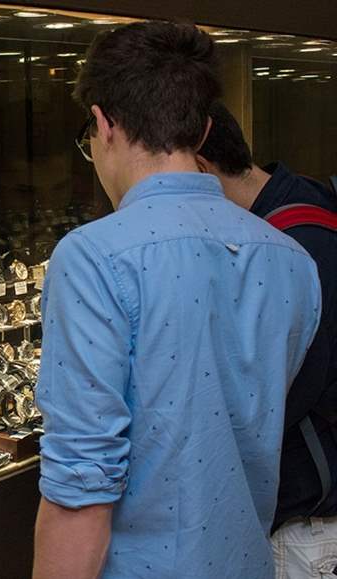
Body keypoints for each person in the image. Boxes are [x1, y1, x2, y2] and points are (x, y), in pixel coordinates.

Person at [32, 21, 322, 579]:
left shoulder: (94, 256)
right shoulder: (290, 259)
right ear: (206, 127)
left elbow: (82, 491)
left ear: (103, 124)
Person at [197, 101, 337, 578]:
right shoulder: (303, 201)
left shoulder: (291, 246)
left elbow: (273, 400)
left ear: (201, 167)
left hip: (307, 527)